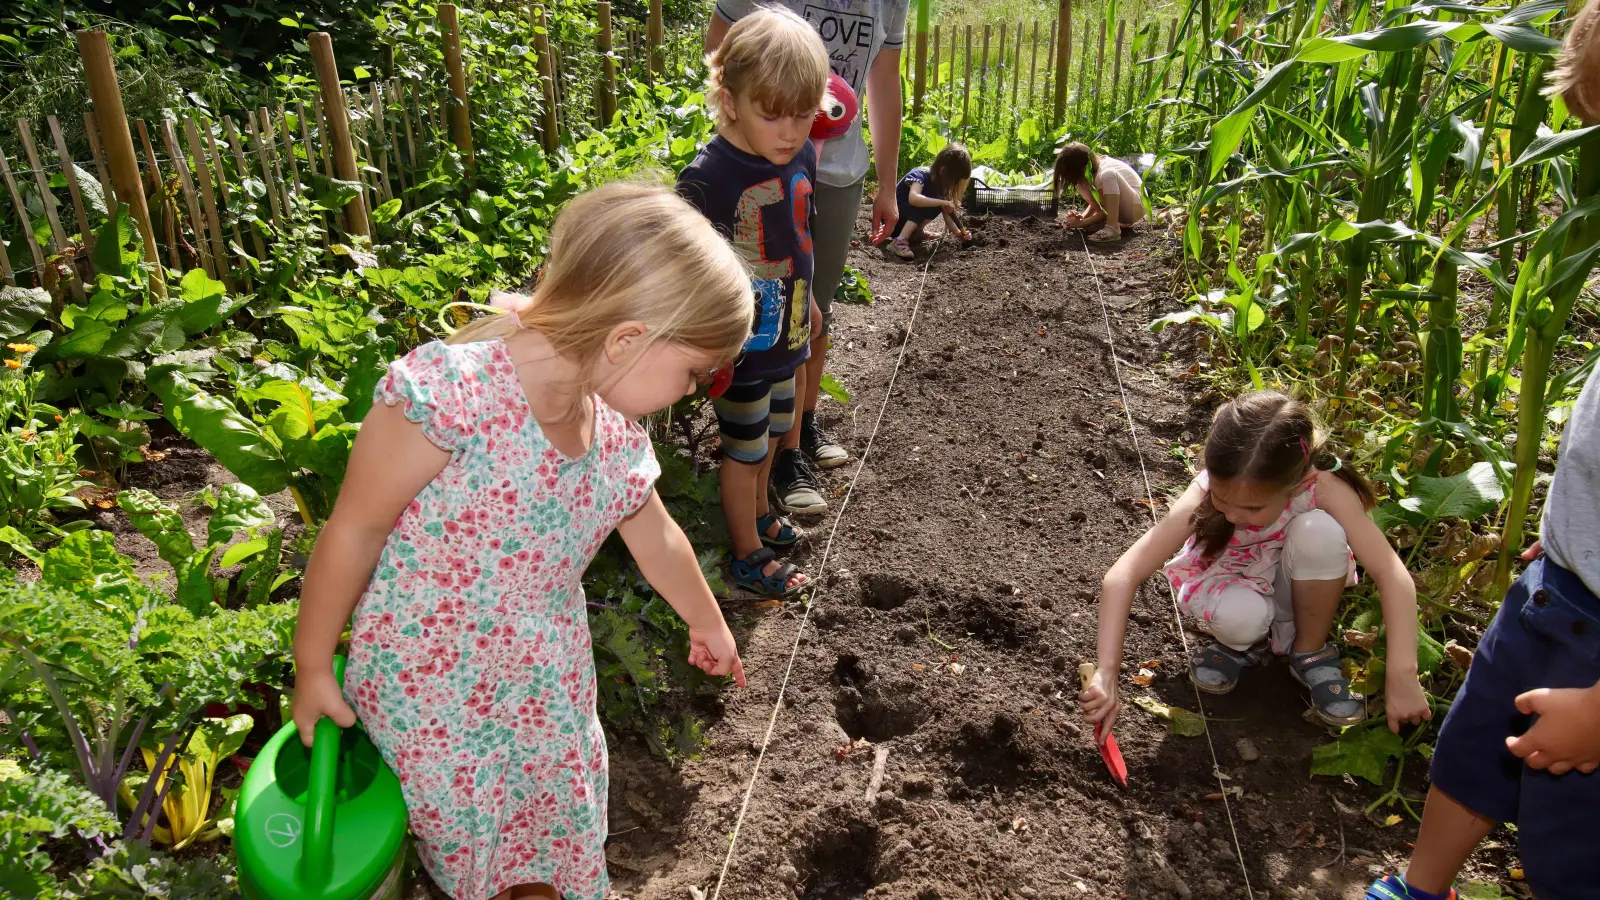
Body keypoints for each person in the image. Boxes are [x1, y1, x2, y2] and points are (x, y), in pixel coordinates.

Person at [290, 182, 752, 900]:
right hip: (435, 688)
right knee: (473, 844)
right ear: (628, 338)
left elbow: (654, 533)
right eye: (695, 371)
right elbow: (356, 527)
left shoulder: (607, 433)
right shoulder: (454, 397)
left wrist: (706, 618)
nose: (695, 390)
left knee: (549, 837)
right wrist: (313, 664)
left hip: (543, 684)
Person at [1363, 377, 1600, 900]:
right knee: (1472, 753)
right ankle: (1421, 890)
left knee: (1573, 843)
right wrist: (1574, 534)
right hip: (1554, 584)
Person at [1080, 391, 1433, 736]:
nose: (1232, 514)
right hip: (1235, 584)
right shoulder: (1207, 491)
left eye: (1252, 509)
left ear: (1300, 483)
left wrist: (1402, 674)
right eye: (1222, 499)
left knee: (1321, 531)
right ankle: (1244, 646)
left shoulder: (1324, 487)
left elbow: (1390, 572)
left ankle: (1308, 649)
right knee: (1242, 619)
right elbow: (1124, 574)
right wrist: (1107, 673)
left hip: (1294, 587)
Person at [708, 0, 909, 495]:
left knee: (813, 307)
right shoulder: (712, 176)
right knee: (755, 312)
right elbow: (719, 47)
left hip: (830, 170)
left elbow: (884, 81)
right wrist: (754, 126)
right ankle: (756, 445)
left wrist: (888, 185)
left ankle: (796, 437)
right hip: (754, 163)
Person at [677, 8, 827, 595]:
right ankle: (746, 551)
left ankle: (763, 512)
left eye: (804, 114)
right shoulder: (708, 178)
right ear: (730, 99)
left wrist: (809, 302)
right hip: (741, 348)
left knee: (775, 430)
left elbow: (802, 240)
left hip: (790, 330)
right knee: (743, 450)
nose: (791, 131)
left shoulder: (803, 156)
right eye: (773, 114)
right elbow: (688, 271)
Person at [886, 142, 973, 260]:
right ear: (943, 171)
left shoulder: (940, 187)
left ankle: (916, 234)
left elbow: (948, 216)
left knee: (935, 203)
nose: (954, 185)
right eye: (954, 181)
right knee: (926, 203)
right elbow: (914, 199)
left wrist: (959, 234)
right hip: (893, 220)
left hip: (904, 222)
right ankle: (899, 241)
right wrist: (941, 202)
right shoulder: (920, 175)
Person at [1052, 141, 1145, 243]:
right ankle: (1110, 224)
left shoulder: (1102, 172)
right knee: (1083, 187)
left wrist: (1081, 223)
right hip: (1121, 211)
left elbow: (1105, 210)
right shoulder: (1090, 176)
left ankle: (1112, 228)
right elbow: (1100, 199)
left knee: (1108, 175)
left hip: (1135, 207)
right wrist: (1082, 217)